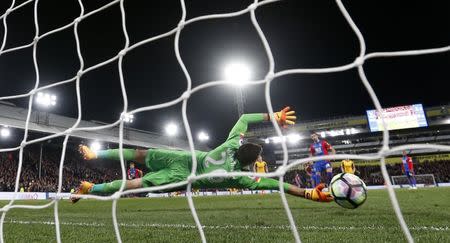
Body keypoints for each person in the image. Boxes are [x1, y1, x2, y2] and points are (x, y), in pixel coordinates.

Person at [71, 107, 332, 203]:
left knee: (139, 154)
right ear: (252, 163)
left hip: (184, 159)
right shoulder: (240, 178)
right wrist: (307, 193)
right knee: (132, 185)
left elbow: (243, 118)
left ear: (241, 147)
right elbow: (276, 184)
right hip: (184, 176)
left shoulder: (231, 144)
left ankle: (97, 154)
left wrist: (272, 116)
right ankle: (92, 187)